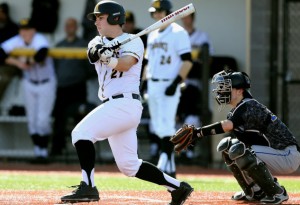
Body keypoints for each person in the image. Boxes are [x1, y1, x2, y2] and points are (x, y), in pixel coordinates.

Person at [60, 1, 193, 205]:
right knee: (129, 166)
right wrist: (101, 51)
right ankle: (177, 187)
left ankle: (88, 187)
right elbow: (92, 51)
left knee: (80, 134)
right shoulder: (96, 40)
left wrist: (109, 59)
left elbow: (125, 64)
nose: (96, 21)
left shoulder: (133, 41)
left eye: (100, 17)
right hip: (115, 106)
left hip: (124, 103)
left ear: (114, 18)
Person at [172, 68, 300, 204]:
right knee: (228, 146)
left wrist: (198, 133)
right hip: (275, 153)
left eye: (227, 87)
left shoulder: (250, 105)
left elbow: (227, 125)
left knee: (243, 151)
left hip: (287, 155)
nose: (221, 91)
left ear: (240, 91)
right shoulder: (239, 109)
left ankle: (277, 192)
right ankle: (253, 191)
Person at [142, 0, 193, 177]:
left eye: (160, 12)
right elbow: (148, 62)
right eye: (154, 12)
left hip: (168, 82)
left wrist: (176, 82)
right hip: (153, 82)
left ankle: (166, 159)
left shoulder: (178, 33)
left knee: (167, 123)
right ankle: (167, 161)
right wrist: (144, 83)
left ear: (168, 12)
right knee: (157, 124)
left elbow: (187, 60)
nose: (156, 15)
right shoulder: (152, 33)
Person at [0, 18, 57, 163]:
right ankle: (38, 152)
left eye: (28, 29)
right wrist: (17, 63)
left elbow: (41, 53)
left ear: (34, 30)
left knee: (42, 120)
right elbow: (0, 52)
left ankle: (44, 152)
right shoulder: (17, 40)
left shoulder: (39, 39)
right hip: (29, 82)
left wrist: (27, 62)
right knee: (32, 120)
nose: (25, 32)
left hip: (46, 82)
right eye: (23, 29)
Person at [50, 17, 94, 157]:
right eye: (67, 25)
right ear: (65, 28)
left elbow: (90, 69)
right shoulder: (59, 45)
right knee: (59, 119)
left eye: (72, 25)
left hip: (78, 88)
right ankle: (57, 150)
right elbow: (55, 67)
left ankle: (82, 152)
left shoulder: (83, 44)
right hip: (62, 89)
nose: (70, 28)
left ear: (76, 28)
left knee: (80, 120)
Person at [177, 13, 214, 163]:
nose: (186, 20)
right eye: (184, 17)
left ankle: (189, 151)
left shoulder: (202, 36)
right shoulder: (177, 36)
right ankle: (180, 152)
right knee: (177, 118)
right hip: (178, 83)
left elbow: (209, 59)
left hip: (195, 84)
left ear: (192, 18)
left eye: (188, 17)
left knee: (192, 117)